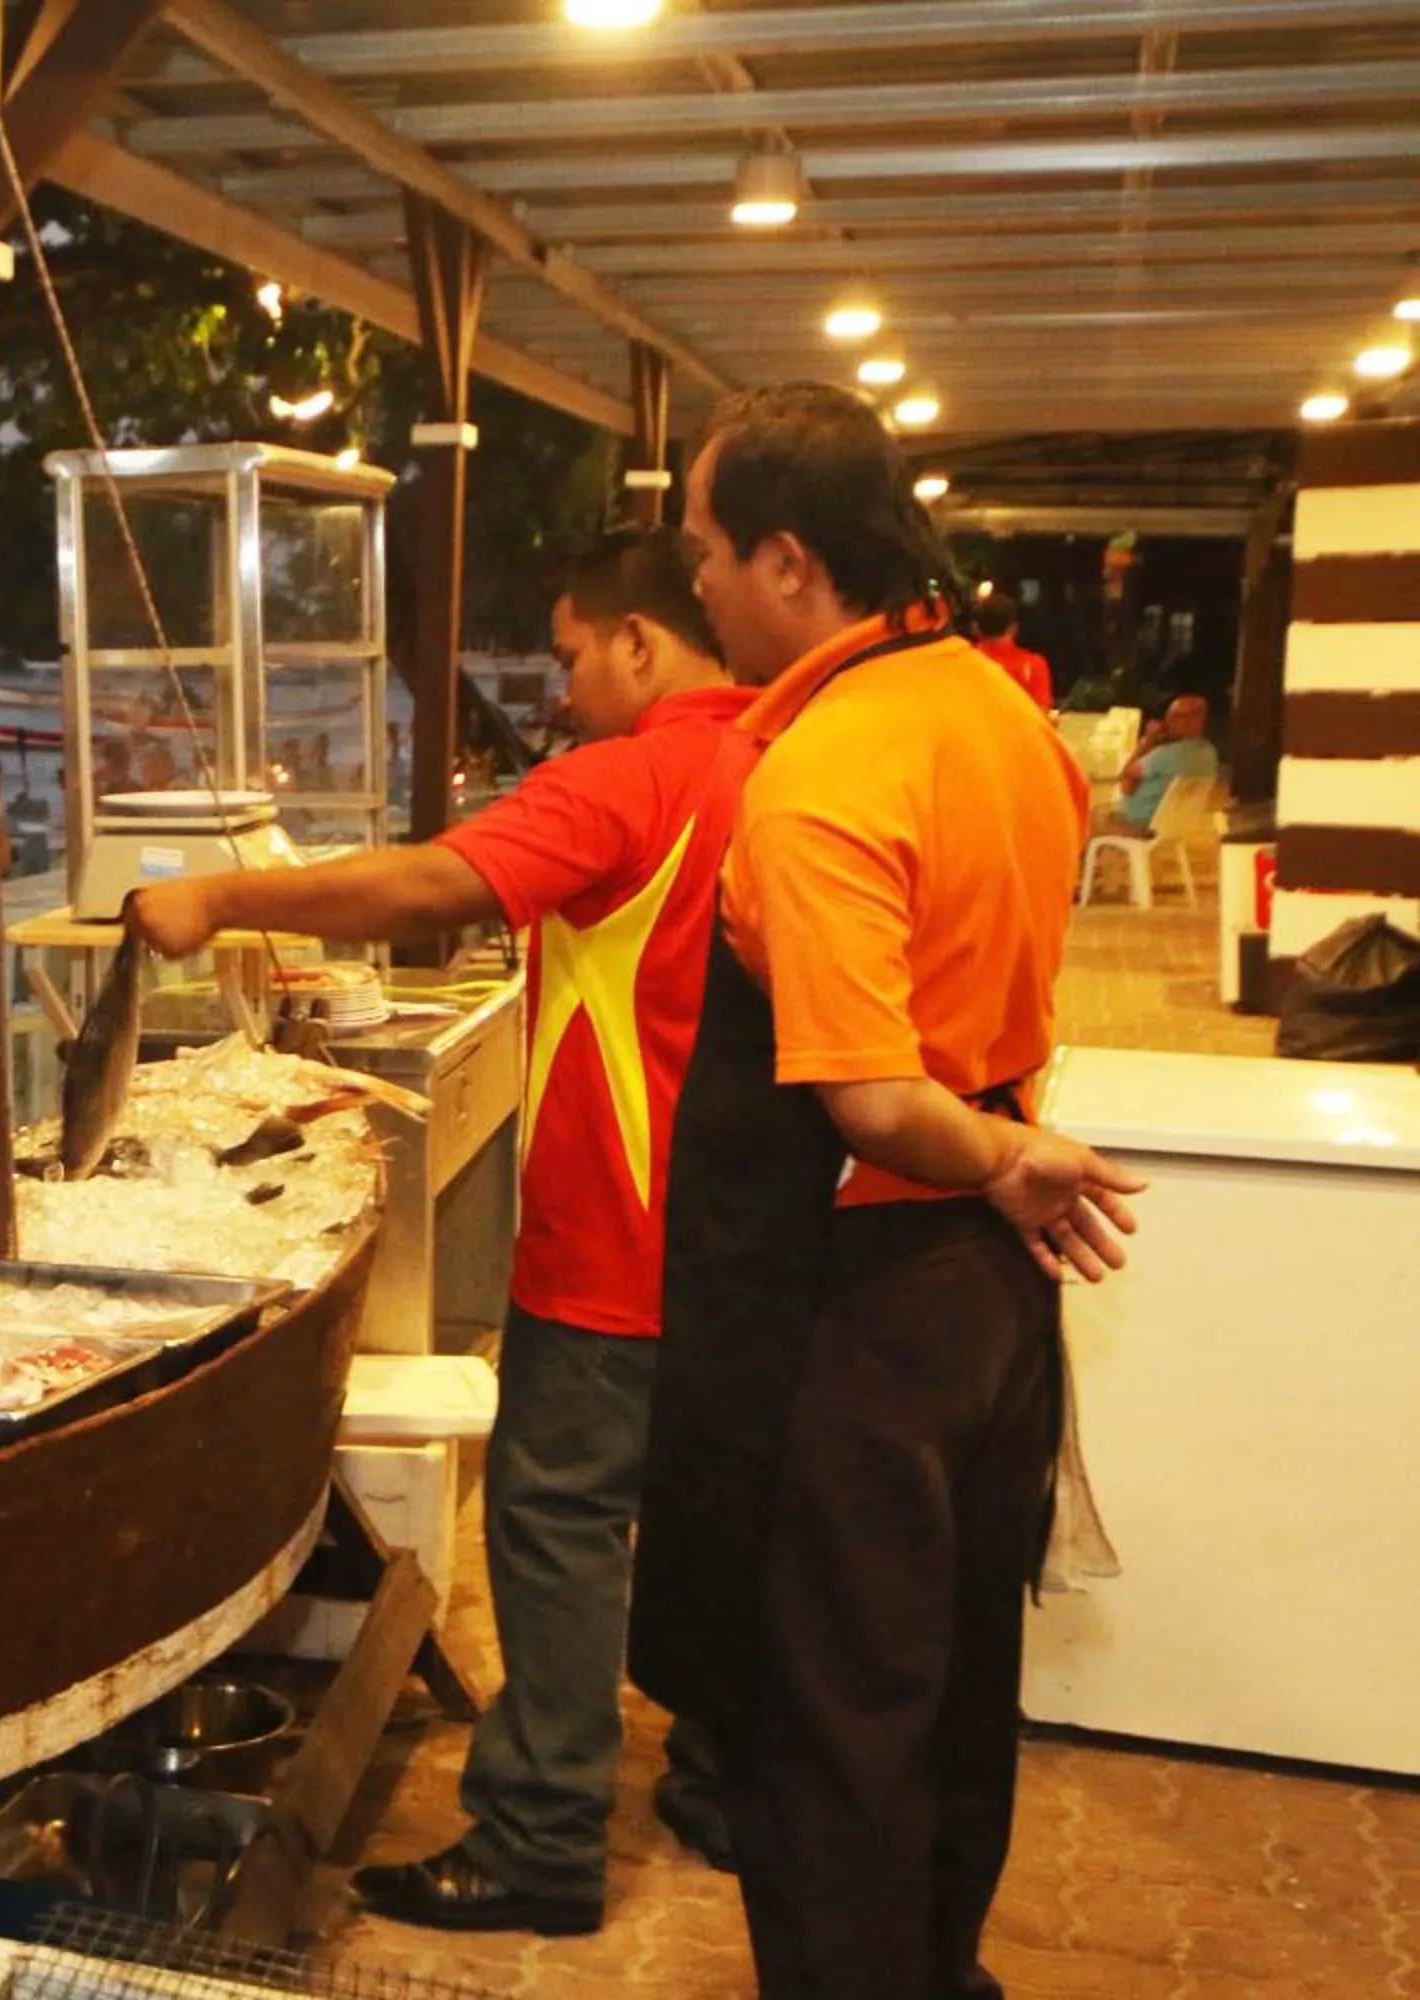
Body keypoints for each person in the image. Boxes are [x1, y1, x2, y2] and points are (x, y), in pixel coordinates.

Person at [128, 529, 753, 1935]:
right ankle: (727, 1783)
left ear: (642, 643)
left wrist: (217, 901)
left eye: (577, 651)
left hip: (618, 1238)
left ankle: (539, 1836)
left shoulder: (628, 775)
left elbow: (424, 886)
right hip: (753, 1247)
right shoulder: (780, 757)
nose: (569, 682)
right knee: (725, 1525)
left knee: (561, 1528)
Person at [633, 382, 1144, 2000]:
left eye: (708, 551)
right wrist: (1005, 1154)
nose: (693, 583)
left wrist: (999, 1155)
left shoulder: (825, 771)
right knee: (952, 1695)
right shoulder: (1000, 713)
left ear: (789, 559)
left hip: (854, 1299)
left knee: (831, 1729)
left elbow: (871, 1098)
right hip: (987, 1306)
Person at [1102, 691, 1221, 835]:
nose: (1167, 720)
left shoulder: (1166, 756)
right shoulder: (1209, 753)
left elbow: (1125, 785)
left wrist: (1147, 741)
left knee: (1091, 814)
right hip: (1175, 824)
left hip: (1141, 823)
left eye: (1176, 716)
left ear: (1195, 720)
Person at [971, 594, 1053, 712]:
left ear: (976, 628)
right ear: (1013, 627)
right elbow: (1041, 714)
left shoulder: (960, 665)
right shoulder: (1034, 665)